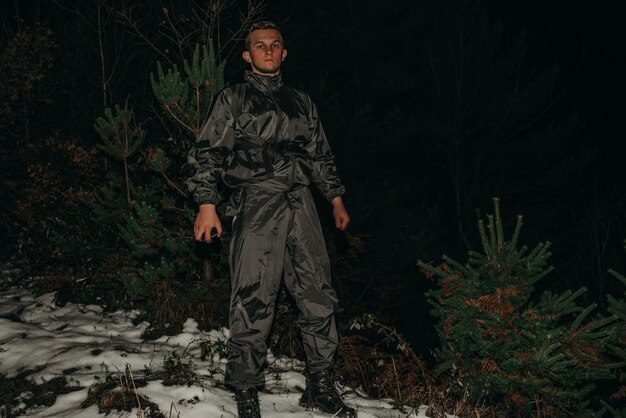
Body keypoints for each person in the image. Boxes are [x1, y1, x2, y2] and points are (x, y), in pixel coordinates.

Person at [186, 21, 357, 418]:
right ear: (248, 55)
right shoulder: (234, 99)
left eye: (275, 45)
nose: (268, 50)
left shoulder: (302, 102)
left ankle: (319, 385)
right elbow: (207, 152)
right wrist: (207, 203)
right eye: (259, 45)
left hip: (302, 204)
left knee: (317, 293)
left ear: (283, 54)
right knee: (253, 295)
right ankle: (246, 389)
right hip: (256, 202)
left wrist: (335, 199)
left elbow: (320, 155)